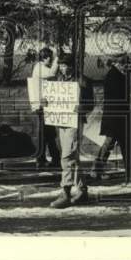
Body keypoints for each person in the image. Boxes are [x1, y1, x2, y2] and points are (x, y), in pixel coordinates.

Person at [49, 54, 95, 208]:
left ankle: (66, 192)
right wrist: (46, 102)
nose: (63, 68)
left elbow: (91, 104)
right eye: (61, 65)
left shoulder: (82, 81)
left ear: (73, 66)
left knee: (66, 157)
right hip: (61, 122)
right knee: (73, 158)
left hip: (75, 122)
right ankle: (82, 191)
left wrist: (80, 107)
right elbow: (52, 99)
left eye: (66, 65)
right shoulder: (59, 80)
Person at [92, 55, 131, 181]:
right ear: (117, 63)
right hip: (116, 117)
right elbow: (119, 95)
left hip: (116, 116)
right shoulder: (115, 76)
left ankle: (129, 170)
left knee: (119, 143)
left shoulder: (115, 75)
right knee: (112, 143)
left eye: (126, 64)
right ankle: (97, 169)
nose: (125, 66)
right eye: (123, 64)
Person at [31, 47, 61, 169]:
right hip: (41, 106)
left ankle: (52, 159)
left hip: (44, 105)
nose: (52, 60)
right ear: (46, 58)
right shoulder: (39, 68)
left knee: (49, 133)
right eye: (51, 58)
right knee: (45, 133)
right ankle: (42, 160)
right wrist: (58, 58)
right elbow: (52, 73)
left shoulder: (40, 67)